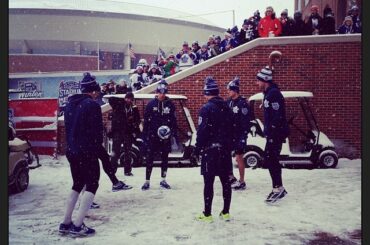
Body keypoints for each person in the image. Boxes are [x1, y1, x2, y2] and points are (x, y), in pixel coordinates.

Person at [59, 72, 102, 237]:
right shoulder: (92, 105)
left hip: (72, 151)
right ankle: (78, 225)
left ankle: (66, 222)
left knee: (77, 184)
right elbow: (97, 134)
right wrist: (98, 151)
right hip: (87, 151)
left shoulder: (69, 105)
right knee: (92, 184)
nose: (97, 94)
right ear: (92, 90)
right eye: (96, 91)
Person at [195, 76, 233, 222]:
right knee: (225, 181)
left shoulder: (206, 109)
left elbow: (202, 131)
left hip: (210, 151)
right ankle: (226, 212)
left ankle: (207, 214)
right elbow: (232, 129)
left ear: (207, 93)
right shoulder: (227, 107)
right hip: (224, 151)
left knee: (208, 182)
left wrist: (197, 148)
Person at [256, 66, 289, 204]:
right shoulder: (268, 93)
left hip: (276, 134)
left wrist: (272, 131)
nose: (256, 83)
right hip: (272, 133)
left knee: (271, 159)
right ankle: (278, 187)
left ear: (265, 80)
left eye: (258, 80)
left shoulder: (274, 93)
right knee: (270, 159)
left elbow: (278, 115)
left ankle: (278, 188)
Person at [141, 80, 178, 190]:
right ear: (157, 92)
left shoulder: (170, 105)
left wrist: (172, 133)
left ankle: (163, 179)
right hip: (153, 137)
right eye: (160, 92)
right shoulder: (150, 104)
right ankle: (147, 181)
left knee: (165, 158)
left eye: (164, 92)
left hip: (165, 138)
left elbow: (173, 120)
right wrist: (145, 136)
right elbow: (146, 121)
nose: (162, 94)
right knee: (150, 158)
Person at [108, 89, 140, 176]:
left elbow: (138, 120)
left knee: (128, 152)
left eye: (131, 99)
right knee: (115, 152)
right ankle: (112, 170)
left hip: (128, 133)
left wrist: (134, 123)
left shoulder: (134, 109)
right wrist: (122, 101)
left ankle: (127, 171)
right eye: (127, 98)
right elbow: (111, 99)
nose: (129, 100)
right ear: (125, 98)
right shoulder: (118, 105)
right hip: (117, 132)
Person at [226, 77, 250, 190]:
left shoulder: (242, 103)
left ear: (235, 90)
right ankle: (231, 177)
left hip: (239, 134)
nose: (228, 92)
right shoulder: (228, 102)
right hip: (229, 134)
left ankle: (242, 180)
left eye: (230, 90)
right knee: (226, 156)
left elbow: (245, 122)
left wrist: (243, 137)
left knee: (239, 157)